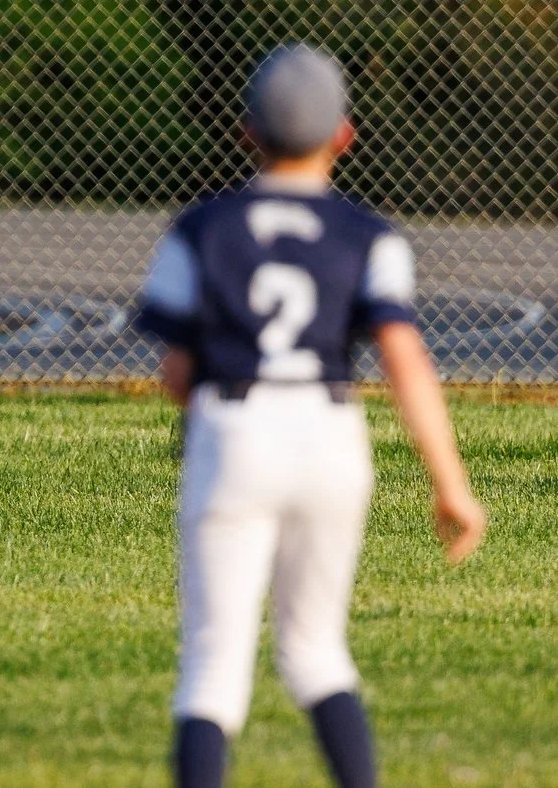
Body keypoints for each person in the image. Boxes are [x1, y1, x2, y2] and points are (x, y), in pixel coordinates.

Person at [133, 44, 487, 788]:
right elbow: (405, 360)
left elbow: (176, 372)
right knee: (317, 651)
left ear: (245, 133)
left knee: (212, 667)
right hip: (330, 435)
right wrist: (450, 482)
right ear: (344, 136)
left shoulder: (202, 229)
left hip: (235, 427)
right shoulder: (370, 235)